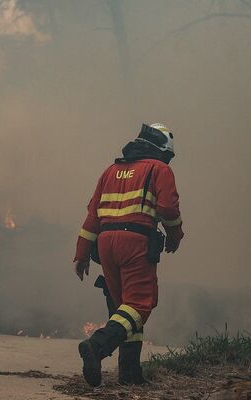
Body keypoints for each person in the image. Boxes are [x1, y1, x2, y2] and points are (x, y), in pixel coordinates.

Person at [73, 123, 184, 387]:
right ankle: (97, 347)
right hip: (135, 243)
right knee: (140, 304)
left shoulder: (110, 171)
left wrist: (82, 253)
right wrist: (175, 236)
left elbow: (93, 216)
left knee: (124, 305)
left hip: (105, 244)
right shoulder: (160, 169)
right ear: (162, 150)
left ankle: (130, 374)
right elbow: (168, 208)